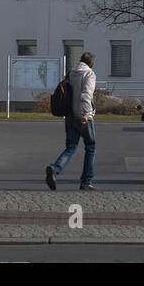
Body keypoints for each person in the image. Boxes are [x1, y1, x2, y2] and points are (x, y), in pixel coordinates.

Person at [46, 52, 96, 191]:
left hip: (69, 116)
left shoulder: (71, 73)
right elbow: (86, 95)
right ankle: (86, 181)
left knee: (71, 147)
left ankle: (54, 168)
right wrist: (86, 114)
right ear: (91, 63)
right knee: (90, 147)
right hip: (83, 115)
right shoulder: (89, 74)